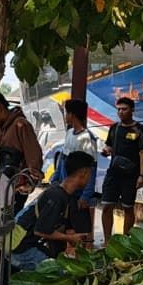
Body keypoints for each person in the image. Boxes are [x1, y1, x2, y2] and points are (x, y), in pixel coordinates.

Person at [10, 151, 94, 271]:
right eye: (90, 173)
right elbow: (40, 231)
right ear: (84, 173)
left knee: (56, 263)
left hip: (27, 243)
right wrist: (69, 238)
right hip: (19, 248)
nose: (90, 178)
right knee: (58, 273)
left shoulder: (62, 193)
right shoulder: (57, 197)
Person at [100, 97, 143, 245]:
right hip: (113, 174)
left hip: (131, 176)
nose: (120, 112)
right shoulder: (114, 128)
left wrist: (142, 175)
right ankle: (107, 241)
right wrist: (106, 150)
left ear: (132, 110)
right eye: (119, 109)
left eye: (124, 109)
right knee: (107, 207)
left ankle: (125, 241)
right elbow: (109, 146)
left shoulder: (140, 130)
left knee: (128, 208)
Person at [50, 99, 98, 243]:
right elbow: (63, 159)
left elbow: (91, 167)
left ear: (72, 115)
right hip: (66, 190)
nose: (65, 116)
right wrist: (55, 178)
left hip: (78, 193)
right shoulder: (69, 133)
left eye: (66, 113)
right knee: (67, 227)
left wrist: (86, 194)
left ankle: (84, 253)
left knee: (81, 230)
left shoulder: (87, 138)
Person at [0, 93, 43, 214]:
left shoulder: (20, 124)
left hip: (17, 186)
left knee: (9, 218)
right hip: (3, 184)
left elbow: (33, 154)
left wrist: (30, 183)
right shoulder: (2, 128)